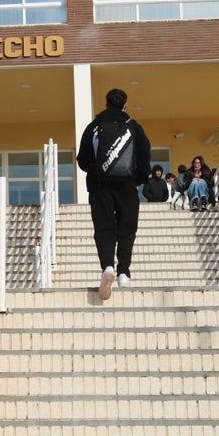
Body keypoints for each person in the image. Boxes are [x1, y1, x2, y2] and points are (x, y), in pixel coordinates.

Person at [77, 87, 151, 300]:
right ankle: (124, 272)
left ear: (106, 103)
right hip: (127, 186)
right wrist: (138, 178)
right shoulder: (134, 127)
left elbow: (83, 159)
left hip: (100, 187)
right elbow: (145, 154)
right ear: (125, 105)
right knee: (127, 228)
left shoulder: (94, 127)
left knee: (104, 228)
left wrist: (98, 171)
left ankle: (107, 266)